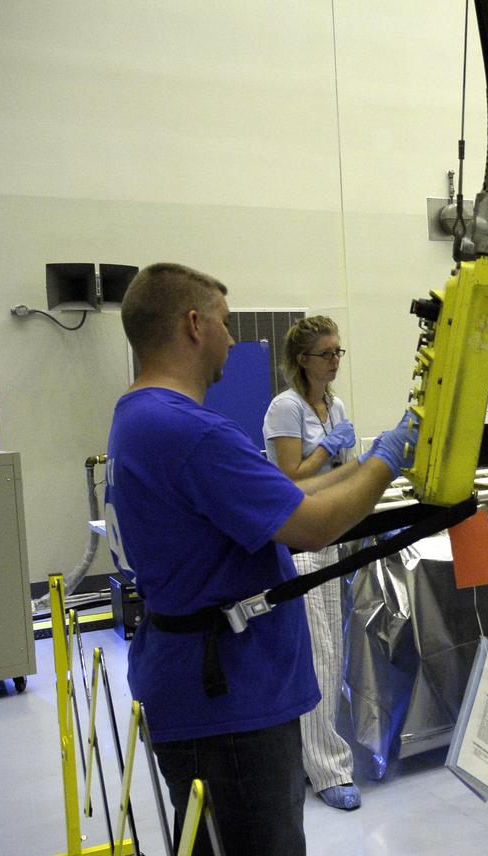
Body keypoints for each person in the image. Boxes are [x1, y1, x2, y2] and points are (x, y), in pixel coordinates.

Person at [104, 262, 415, 855]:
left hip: (195, 682)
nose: (232, 338)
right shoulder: (188, 431)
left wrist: (361, 466)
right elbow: (312, 526)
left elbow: (287, 498)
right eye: (224, 323)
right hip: (230, 705)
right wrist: (389, 459)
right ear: (193, 325)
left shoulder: (138, 418)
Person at [262, 316, 362, 810]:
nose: (335, 361)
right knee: (320, 656)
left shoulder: (334, 404)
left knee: (332, 654)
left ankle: (311, 756)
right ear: (303, 360)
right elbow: (289, 480)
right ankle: (327, 770)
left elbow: (341, 471)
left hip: (332, 537)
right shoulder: (286, 408)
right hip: (302, 546)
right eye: (327, 353)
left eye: (340, 351)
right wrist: (326, 447)